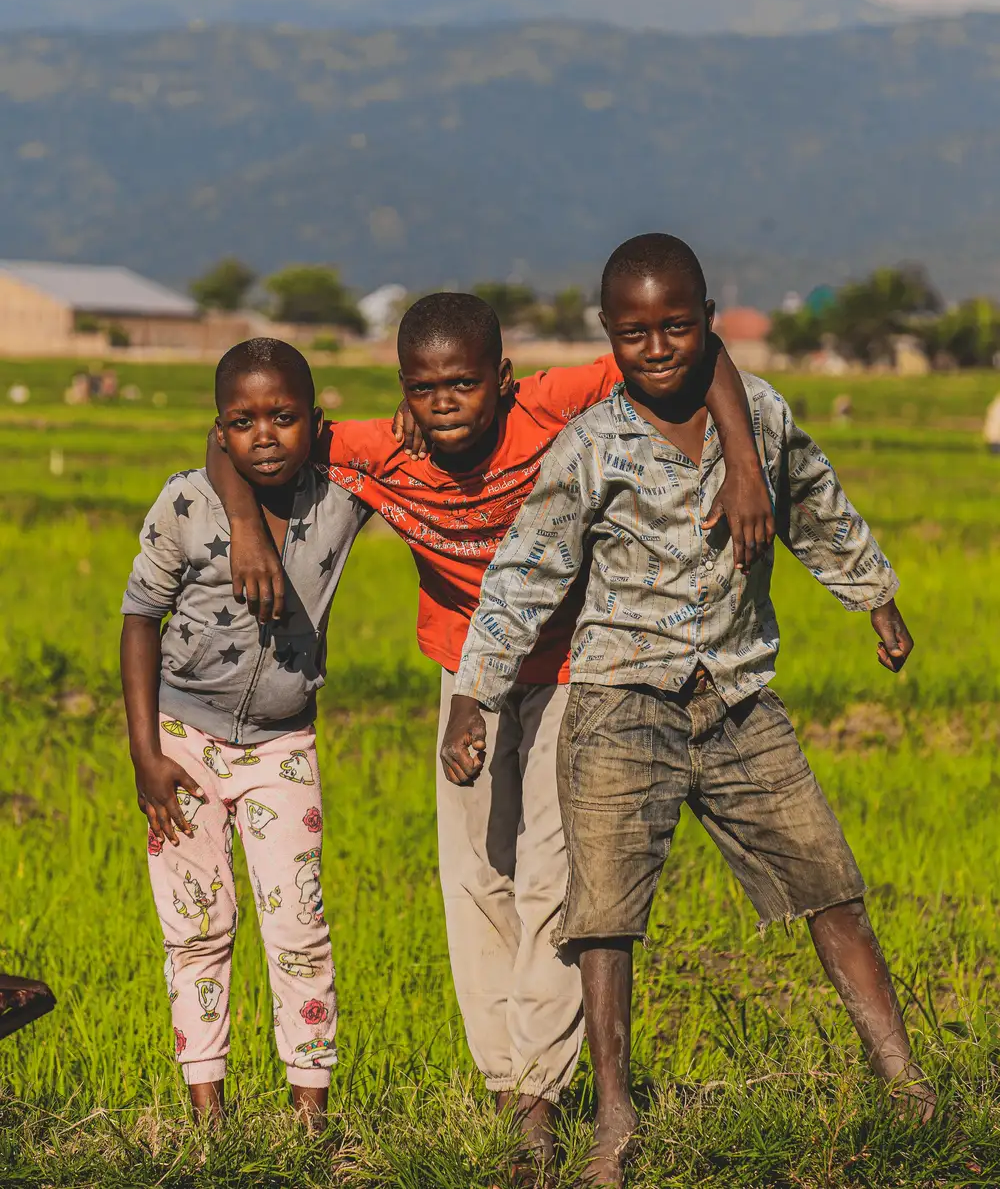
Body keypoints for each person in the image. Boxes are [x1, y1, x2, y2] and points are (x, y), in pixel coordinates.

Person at [207, 294, 774, 1168]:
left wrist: (744, 463)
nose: (444, 405)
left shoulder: (552, 405)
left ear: (502, 382)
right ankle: (503, 1077)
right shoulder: (381, 447)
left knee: (554, 871)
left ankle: (539, 1099)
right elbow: (238, 435)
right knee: (474, 872)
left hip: (572, 666)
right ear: (403, 389)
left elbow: (698, 362)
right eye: (424, 387)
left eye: (464, 384)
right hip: (459, 672)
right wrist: (246, 527)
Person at [449, 235, 935, 1187]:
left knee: (827, 881)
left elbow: (817, 506)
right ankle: (614, 1117)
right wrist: (476, 693)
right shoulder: (591, 446)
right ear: (609, 336)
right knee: (603, 918)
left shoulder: (757, 415)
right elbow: (525, 572)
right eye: (635, 333)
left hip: (739, 698)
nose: (659, 346)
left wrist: (874, 595)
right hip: (620, 703)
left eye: (677, 325)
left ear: (709, 317)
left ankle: (904, 1076)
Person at [120, 339, 370, 1126]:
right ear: (220, 430)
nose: (265, 434)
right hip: (181, 744)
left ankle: (310, 1116)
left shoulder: (340, 500)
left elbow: (408, 450)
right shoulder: (187, 504)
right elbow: (138, 618)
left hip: (282, 746)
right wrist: (144, 756)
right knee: (196, 928)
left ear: (315, 424)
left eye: (284, 417)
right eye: (244, 420)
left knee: (298, 927)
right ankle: (208, 1119)